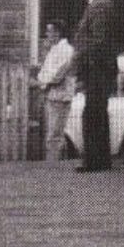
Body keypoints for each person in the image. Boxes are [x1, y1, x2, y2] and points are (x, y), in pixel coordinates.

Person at [72, 0, 123, 172]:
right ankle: (99, 160)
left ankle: (94, 161)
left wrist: (79, 57)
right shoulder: (98, 5)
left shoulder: (100, 6)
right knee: (96, 113)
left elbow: (98, 41)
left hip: (98, 68)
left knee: (93, 113)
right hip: (98, 67)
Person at [33, 22, 75, 161]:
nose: (47, 35)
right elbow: (44, 71)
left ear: (57, 33)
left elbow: (58, 75)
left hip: (60, 96)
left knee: (54, 136)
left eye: (50, 31)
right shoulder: (54, 49)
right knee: (53, 134)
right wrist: (41, 81)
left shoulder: (67, 50)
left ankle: (53, 167)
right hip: (52, 95)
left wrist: (41, 83)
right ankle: (56, 164)